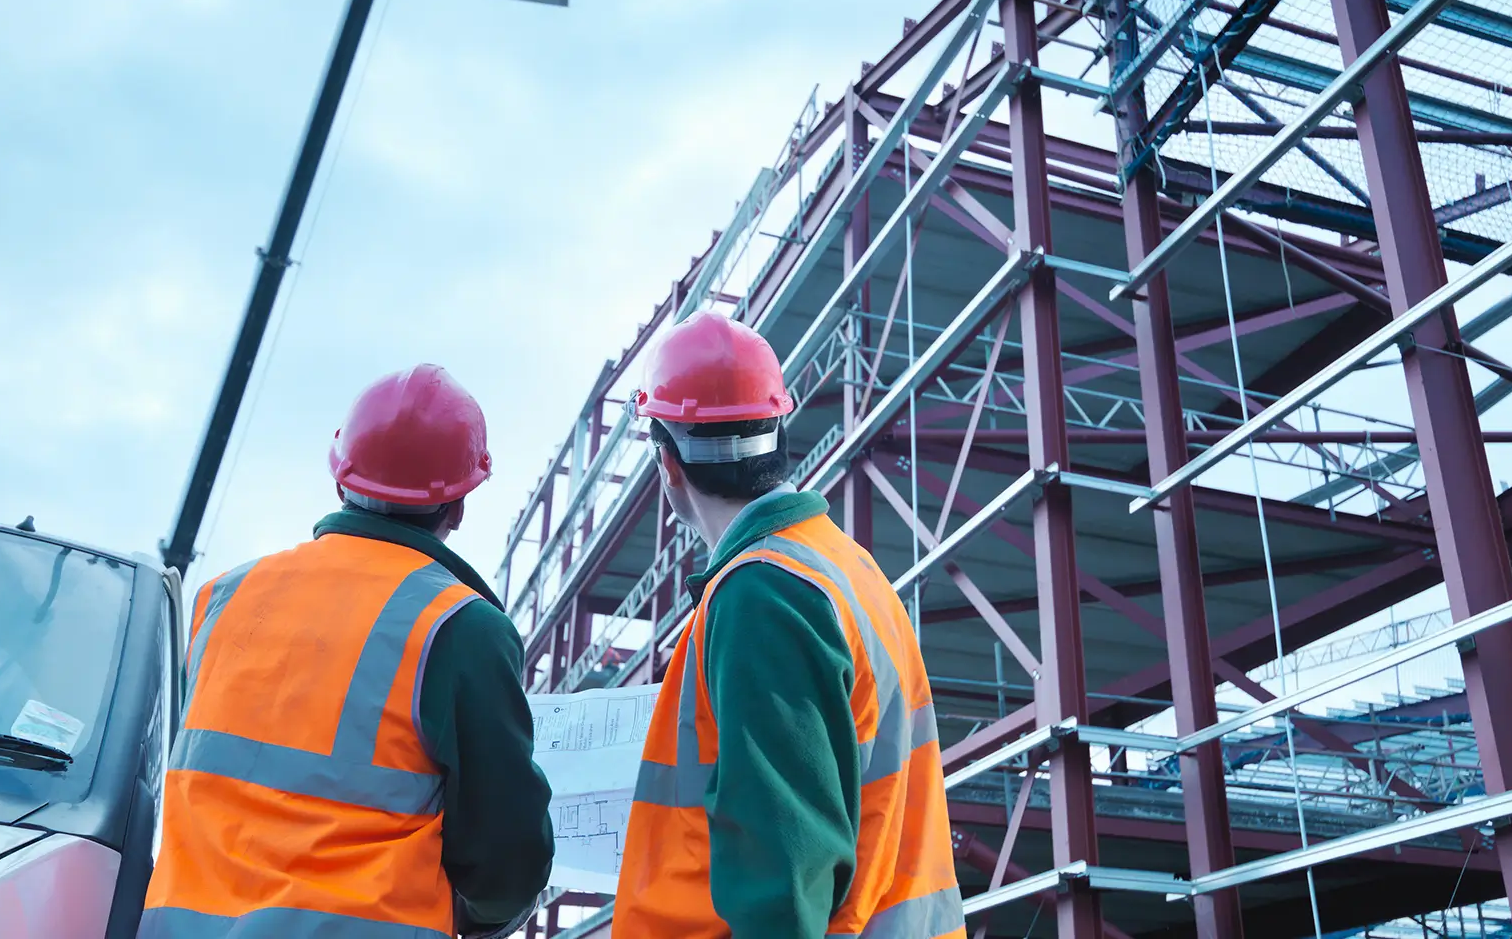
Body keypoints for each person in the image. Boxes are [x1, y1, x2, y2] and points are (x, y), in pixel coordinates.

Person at [143, 364, 554, 938]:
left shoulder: (220, 598)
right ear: (458, 506)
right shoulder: (459, 628)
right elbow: (506, 860)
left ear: (340, 480)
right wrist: (478, 914)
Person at [612, 312, 963, 939]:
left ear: (666, 465)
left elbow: (785, 866)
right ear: (778, 432)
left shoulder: (762, 593)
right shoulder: (846, 569)